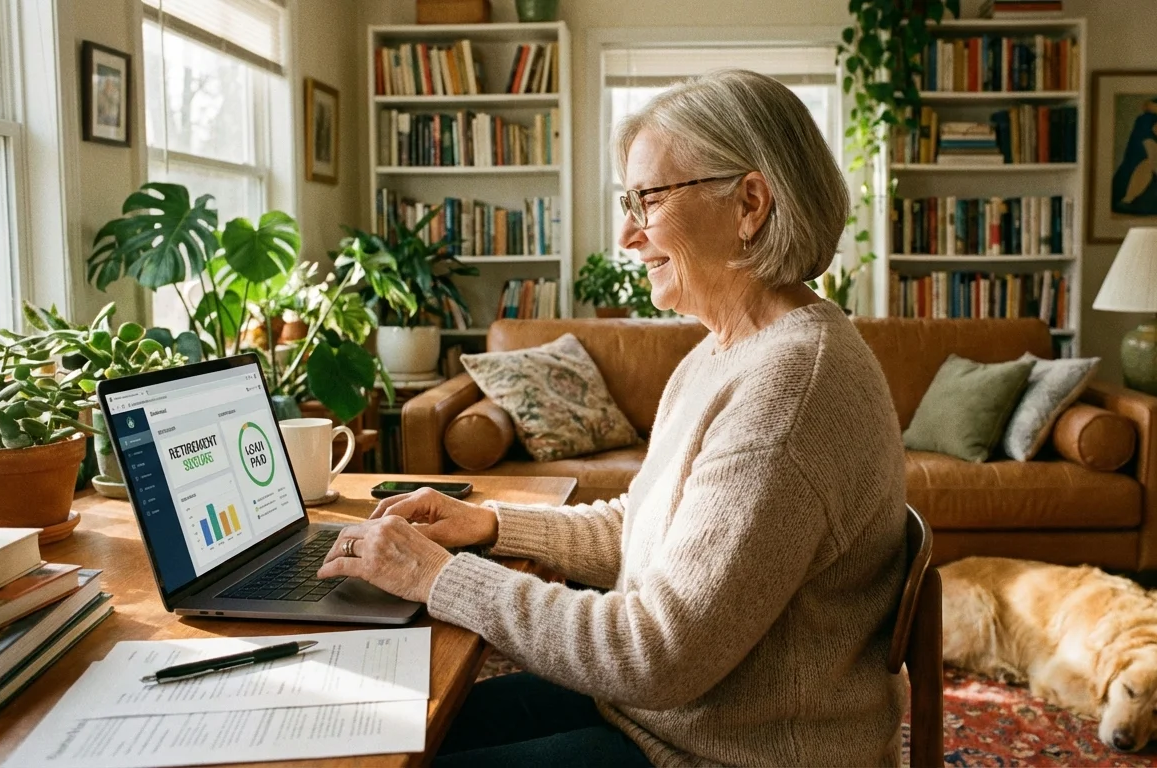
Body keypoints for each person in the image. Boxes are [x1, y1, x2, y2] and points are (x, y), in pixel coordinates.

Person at [316, 69, 909, 767]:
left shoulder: (789, 388)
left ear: (750, 203)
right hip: (666, 719)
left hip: (719, 751)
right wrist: (493, 525)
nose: (628, 235)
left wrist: (438, 578)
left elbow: (655, 653)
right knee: (370, 724)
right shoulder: (730, 349)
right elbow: (651, 526)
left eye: (648, 200)